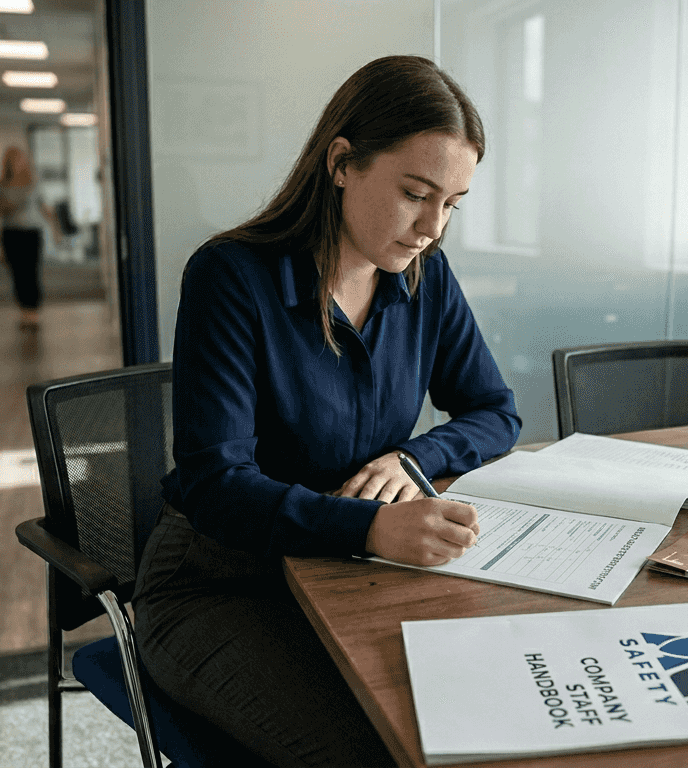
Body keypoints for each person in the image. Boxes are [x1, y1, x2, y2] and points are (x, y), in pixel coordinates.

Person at [133, 55, 521, 767]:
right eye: (415, 193)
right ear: (342, 162)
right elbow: (218, 486)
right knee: (382, 748)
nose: (432, 227)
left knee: (486, 719)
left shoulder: (424, 277)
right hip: (222, 583)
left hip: (352, 571)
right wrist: (373, 527)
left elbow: (496, 412)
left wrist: (412, 458)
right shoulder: (230, 277)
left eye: (452, 204)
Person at [0, 146, 55, 328]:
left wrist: (55, 229)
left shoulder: (34, 183)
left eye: (18, 159)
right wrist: (8, 206)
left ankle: (33, 311)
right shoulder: (0, 185)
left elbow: (45, 207)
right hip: (11, 233)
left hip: (31, 233)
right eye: (11, 160)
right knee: (17, 273)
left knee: (31, 272)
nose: (15, 164)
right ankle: (24, 311)